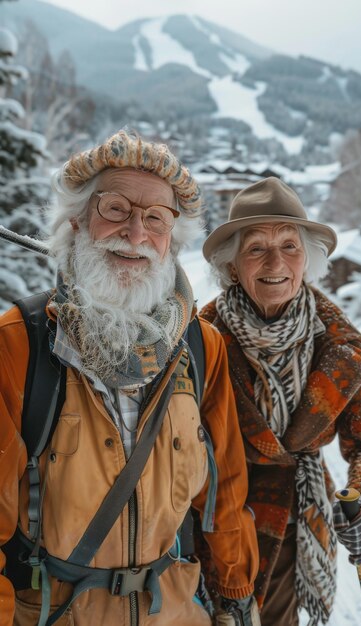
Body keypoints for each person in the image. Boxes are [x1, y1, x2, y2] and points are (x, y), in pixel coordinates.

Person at [0, 129, 261, 626]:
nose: (136, 234)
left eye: (156, 220)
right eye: (116, 209)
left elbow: (224, 496)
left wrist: (235, 594)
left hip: (177, 611)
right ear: (77, 221)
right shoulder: (17, 346)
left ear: (171, 240)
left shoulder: (200, 347)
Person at [200, 177, 361, 626]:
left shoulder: (337, 348)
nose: (276, 262)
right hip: (209, 532)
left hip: (290, 529)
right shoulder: (200, 339)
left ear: (307, 260)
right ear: (233, 266)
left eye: (290, 246)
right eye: (255, 248)